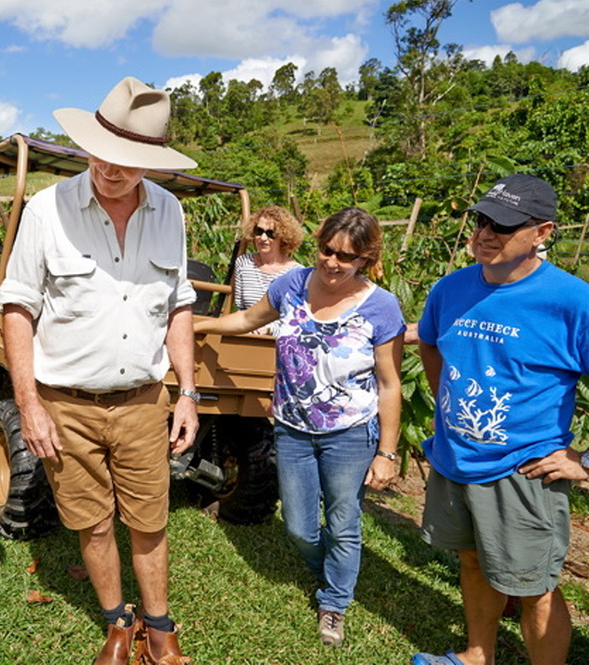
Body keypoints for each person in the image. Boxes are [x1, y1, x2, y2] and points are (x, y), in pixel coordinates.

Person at [0, 77, 198, 665]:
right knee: (90, 521)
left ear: (151, 160)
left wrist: (186, 394)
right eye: (102, 153)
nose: (112, 168)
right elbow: (17, 306)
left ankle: (159, 628)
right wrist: (29, 404)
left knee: (150, 520)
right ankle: (117, 623)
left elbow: (179, 304)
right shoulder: (46, 208)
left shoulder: (170, 212)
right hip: (66, 403)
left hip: (143, 401)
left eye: (130, 161)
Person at [195, 206, 404, 648]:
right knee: (298, 525)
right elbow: (249, 320)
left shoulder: (381, 307)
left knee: (344, 520)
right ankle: (329, 567)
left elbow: (389, 384)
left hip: (350, 431)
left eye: (345, 257)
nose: (332, 262)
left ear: (364, 259)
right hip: (291, 427)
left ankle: (334, 602)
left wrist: (387, 452)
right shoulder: (291, 285)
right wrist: (201, 325)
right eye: (327, 250)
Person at [411, 174, 589, 665]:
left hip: (522, 470)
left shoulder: (572, 301)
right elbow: (429, 341)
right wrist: (449, 408)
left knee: (533, 586)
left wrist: (583, 459)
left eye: (504, 225)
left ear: (543, 232)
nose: (486, 234)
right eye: (481, 221)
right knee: (472, 561)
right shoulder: (451, 288)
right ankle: (477, 654)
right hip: (456, 461)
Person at [232, 205, 305, 333]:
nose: (263, 238)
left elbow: (295, 319)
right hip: (247, 334)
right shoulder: (243, 263)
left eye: (271, 234)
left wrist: (269, 329)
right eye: (259, 231)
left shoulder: (296, 273)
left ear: (283, 237)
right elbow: (240, 308)